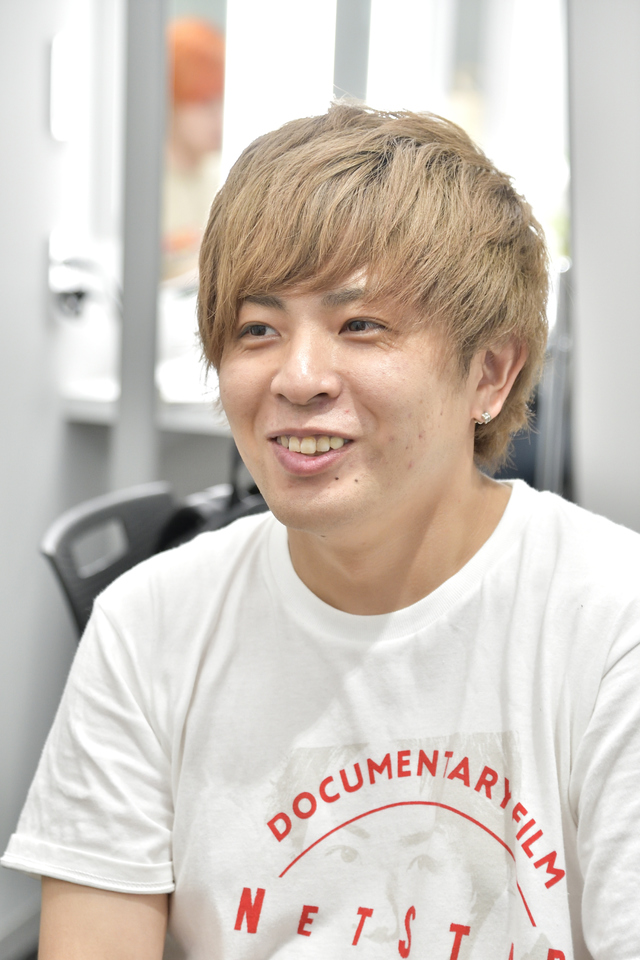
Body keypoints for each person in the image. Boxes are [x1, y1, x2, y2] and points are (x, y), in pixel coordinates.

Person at [3, 104, 639, 960]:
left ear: (490, 372)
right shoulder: (148, 626)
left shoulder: (612, 624)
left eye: (360, 326)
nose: (297, 378)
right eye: (258, 330)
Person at [162, 18, 225, 282]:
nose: (219, 119)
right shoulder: (142, 186)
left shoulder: (221, 177)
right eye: (205, 103)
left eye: (221, 102)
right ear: (172, 102)